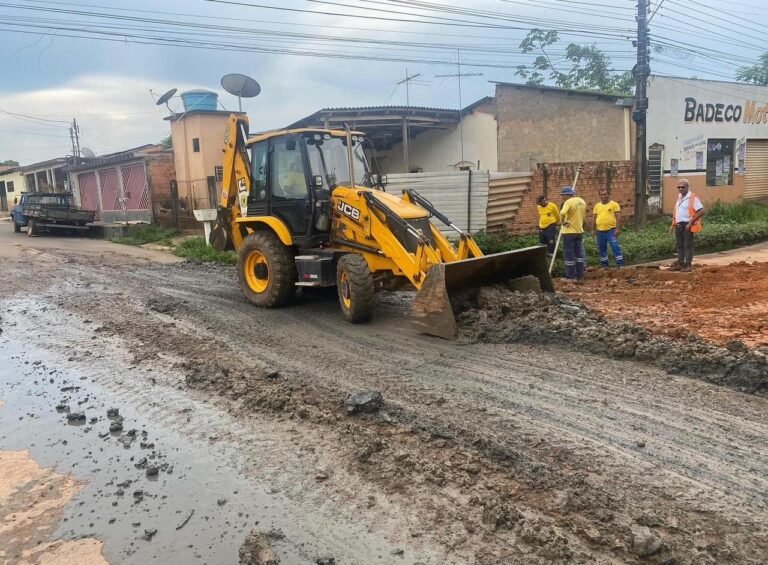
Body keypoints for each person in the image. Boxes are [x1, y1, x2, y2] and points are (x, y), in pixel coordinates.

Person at [670, 178, 704, 272]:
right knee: (680, 245)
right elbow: (677, 212)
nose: (680, 189)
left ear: (687, 187)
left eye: (683, 187)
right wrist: (673, 225)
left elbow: (701, 211)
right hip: (678, 225)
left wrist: (690, 223)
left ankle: (688, 265)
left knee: (687, 245)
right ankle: (680, 263)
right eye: (679, 187)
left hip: (687, 224)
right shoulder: (680, 197)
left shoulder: (693, 198)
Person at [559, 185, 587, 283]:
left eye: (563, 195)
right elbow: (584, 217)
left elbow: (562, 213)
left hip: (569, 232)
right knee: (579, 254)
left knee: (569, 254)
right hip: (579, 231)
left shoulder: (568, 202)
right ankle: (580, 276)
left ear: (567, 195)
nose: (562, 197)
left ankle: (571, 277)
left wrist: (562, 222)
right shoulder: (582, 201)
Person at [592, 188, 625, 268]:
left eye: (605, 194)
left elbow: (618, 217)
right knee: (602, 248)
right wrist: (593, 229)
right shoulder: (597, 206)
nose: (603, 196)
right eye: (601, 194)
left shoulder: (614, 204)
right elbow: (594, 218)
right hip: (600, 231)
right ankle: (605, 266)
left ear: (608, 195)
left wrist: (618, 228)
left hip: (611, 230)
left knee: (615, 247)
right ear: (599, 196)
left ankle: (620, 265)